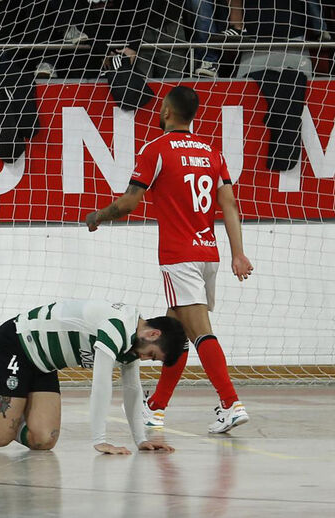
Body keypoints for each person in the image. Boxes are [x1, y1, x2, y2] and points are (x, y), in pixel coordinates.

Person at [85, 86, 254, 433]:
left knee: (200, 332)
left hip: (179, 256)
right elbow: (230, 206)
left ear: (165, 111)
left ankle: (231, 402)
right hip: (208, 254)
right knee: (176, 331)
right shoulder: (213, 153)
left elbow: (130, 203)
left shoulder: (156, 149)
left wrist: (98, 216)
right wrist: (238, 252)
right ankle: (156, 408)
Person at [0, 300, 185, 454]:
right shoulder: (118, 327)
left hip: (43, 363)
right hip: (15, 345)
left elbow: (131, 389)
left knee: (43, 440)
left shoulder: (132, 343)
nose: (146, 360)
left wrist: (140, 440)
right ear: (152, 333)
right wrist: (100, 440)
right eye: (152, 355)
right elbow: (102, 384)